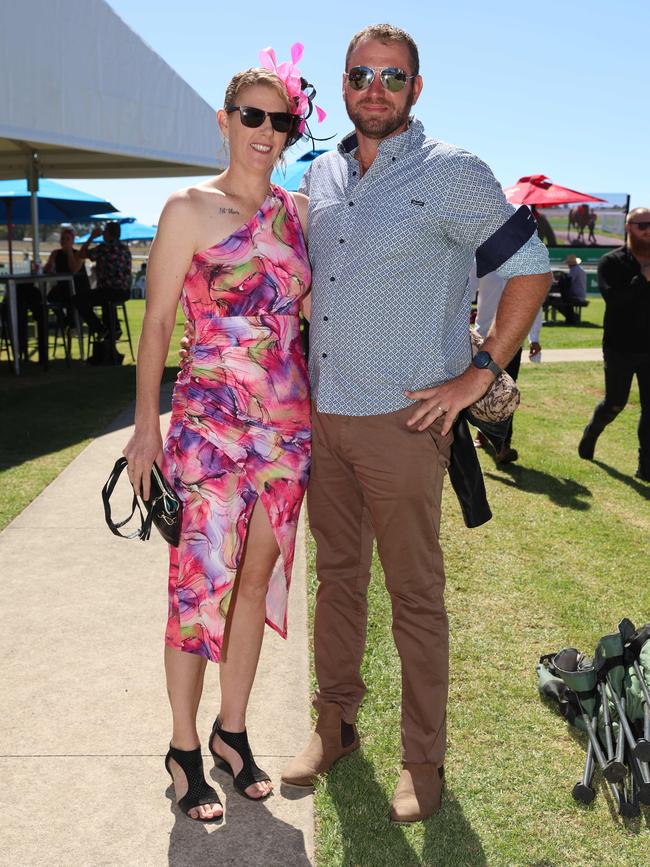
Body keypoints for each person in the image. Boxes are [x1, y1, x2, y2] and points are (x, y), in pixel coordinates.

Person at [278, 24, 551, 824]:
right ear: (344, 82)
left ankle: (422, 761)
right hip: (326, 416)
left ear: (416, 89)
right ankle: (335, 727)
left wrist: (478, 375)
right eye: (361, 74)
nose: (375, 87)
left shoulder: (454, 170)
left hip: (402, 423)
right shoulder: (321, 172)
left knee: (415, 597)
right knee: (337, 585)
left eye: (393, 76)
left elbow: (530, 268)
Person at [123, 57, 315, 822]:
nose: (267, 133)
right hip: (208, 425)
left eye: (282, 121)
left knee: (258, 574)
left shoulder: (299, 213)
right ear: (226, 119)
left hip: (287, 428)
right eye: (253, 117)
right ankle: (182, 749)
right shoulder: (188, 209)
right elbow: (159, 324)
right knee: (199, 587)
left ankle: (231, 733)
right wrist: (146, 428)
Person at [578, 207, 650, 482]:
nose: (648, 229)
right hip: (619, 346)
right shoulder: (612, 262)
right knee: (615, 403)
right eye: (642, 224)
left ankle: (646, 466)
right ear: (629, 228)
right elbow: (615, 301)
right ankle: (592, 432)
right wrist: (642, 279)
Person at [469, 264, 543, 462]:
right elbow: (464, 291)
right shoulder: (482, 259)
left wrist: (534, 338)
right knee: (477, 389)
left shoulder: (526, 263)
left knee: (506, 392)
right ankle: (481, 433)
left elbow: (534, 302)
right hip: (484, 340)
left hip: (512, 342)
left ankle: (502, 445)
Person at [43, 226, 105, 337]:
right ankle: (66, 322)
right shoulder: (56, 253)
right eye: (62, 239)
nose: (64, 241)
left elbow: (73, 269)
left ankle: (73, 325)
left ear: (72, 241)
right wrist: (49, 266)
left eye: (67, 239)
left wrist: (69, 252)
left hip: (79, 287)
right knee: (50, 297)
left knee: (71, 299)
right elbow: (47, 270)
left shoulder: (78, 254)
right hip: (63, 287)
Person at [79, 221, 132, 343]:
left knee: (78, 300)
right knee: (105, 301)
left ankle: (101, 328)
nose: (102, 234)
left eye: (104, 231)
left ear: (108, 233)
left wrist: (92, 237)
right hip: (124, 292)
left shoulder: (104, 248)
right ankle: (114, 329)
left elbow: (82, 254)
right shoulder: (125, 249)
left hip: (108, 291)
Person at [549, 253, 587, 324]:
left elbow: (567, 283)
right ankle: (572, 317)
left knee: (556, 301)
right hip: (580, 295)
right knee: (562, 299)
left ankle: (571, 317)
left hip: (576, 295)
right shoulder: (579, 269)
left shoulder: (574, 270)